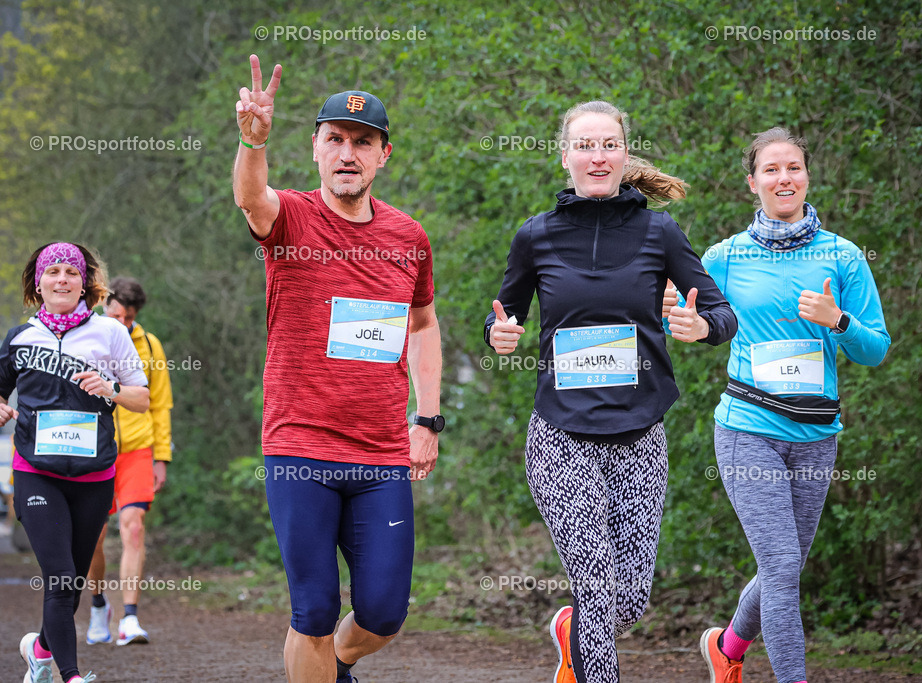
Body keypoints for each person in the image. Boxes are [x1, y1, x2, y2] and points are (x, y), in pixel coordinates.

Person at [485, 101, 737, 683]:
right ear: (565, 156)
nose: (597, 157)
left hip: (639, 435)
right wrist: (499, 335)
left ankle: (571, 632)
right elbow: (504, 314)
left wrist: (701, 327)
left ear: (625, 155)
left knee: (628, 600)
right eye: (585, 145)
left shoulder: (660, 232)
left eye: (609, 145)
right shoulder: (535, 236)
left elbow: (723, 314)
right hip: (560, 435)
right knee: (596, 583)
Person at [232, 55, 442, 683]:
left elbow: (422, 325)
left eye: (362, 142)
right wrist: (253, 142)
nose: (348, 153)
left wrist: (427, 418)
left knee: (384, 612)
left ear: (383, 155)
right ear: (316, 148)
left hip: (380, 453)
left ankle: (337, 666)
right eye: (335, 140)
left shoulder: (408, 237)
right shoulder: (292, 216)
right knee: (315, 609)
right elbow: (251, 197)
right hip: (300, 446)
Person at [665, 127, 890, 683]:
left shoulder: (842, 256)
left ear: (807, 176)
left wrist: (838, 321)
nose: (783, 178)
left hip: (816, 434)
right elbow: (690, 322)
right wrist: (682, 321)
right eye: (771, 169)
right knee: (784, 565)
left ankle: (728, 647)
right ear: (753, 182)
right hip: (748, 428)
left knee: (783, 570)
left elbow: (875, 350)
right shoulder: (724, 257)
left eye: (793, 167)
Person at [0, 242, 150, 683]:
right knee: (61, 577)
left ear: (84, 283)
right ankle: (71, 676)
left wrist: (111, 389)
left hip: (94, 477)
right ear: (38, 283)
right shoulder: (20, 338)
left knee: (72, 584)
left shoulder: (110, 333)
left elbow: (141, 398)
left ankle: (39, 652)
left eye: (71, 272)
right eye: (53, 272)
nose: (62, 279)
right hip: (36, 472)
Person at [86, 276, 174, 646]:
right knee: (93, 535)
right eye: (116, 315)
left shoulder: (149, 345)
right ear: (103, 306)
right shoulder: (85, 339)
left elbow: (161, 404)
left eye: (129, 318)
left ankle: (130, 618)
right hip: (94, 448)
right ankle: (97, 605)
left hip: (138, 449)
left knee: (133, 526)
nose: (122, 324)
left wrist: (161, 457)